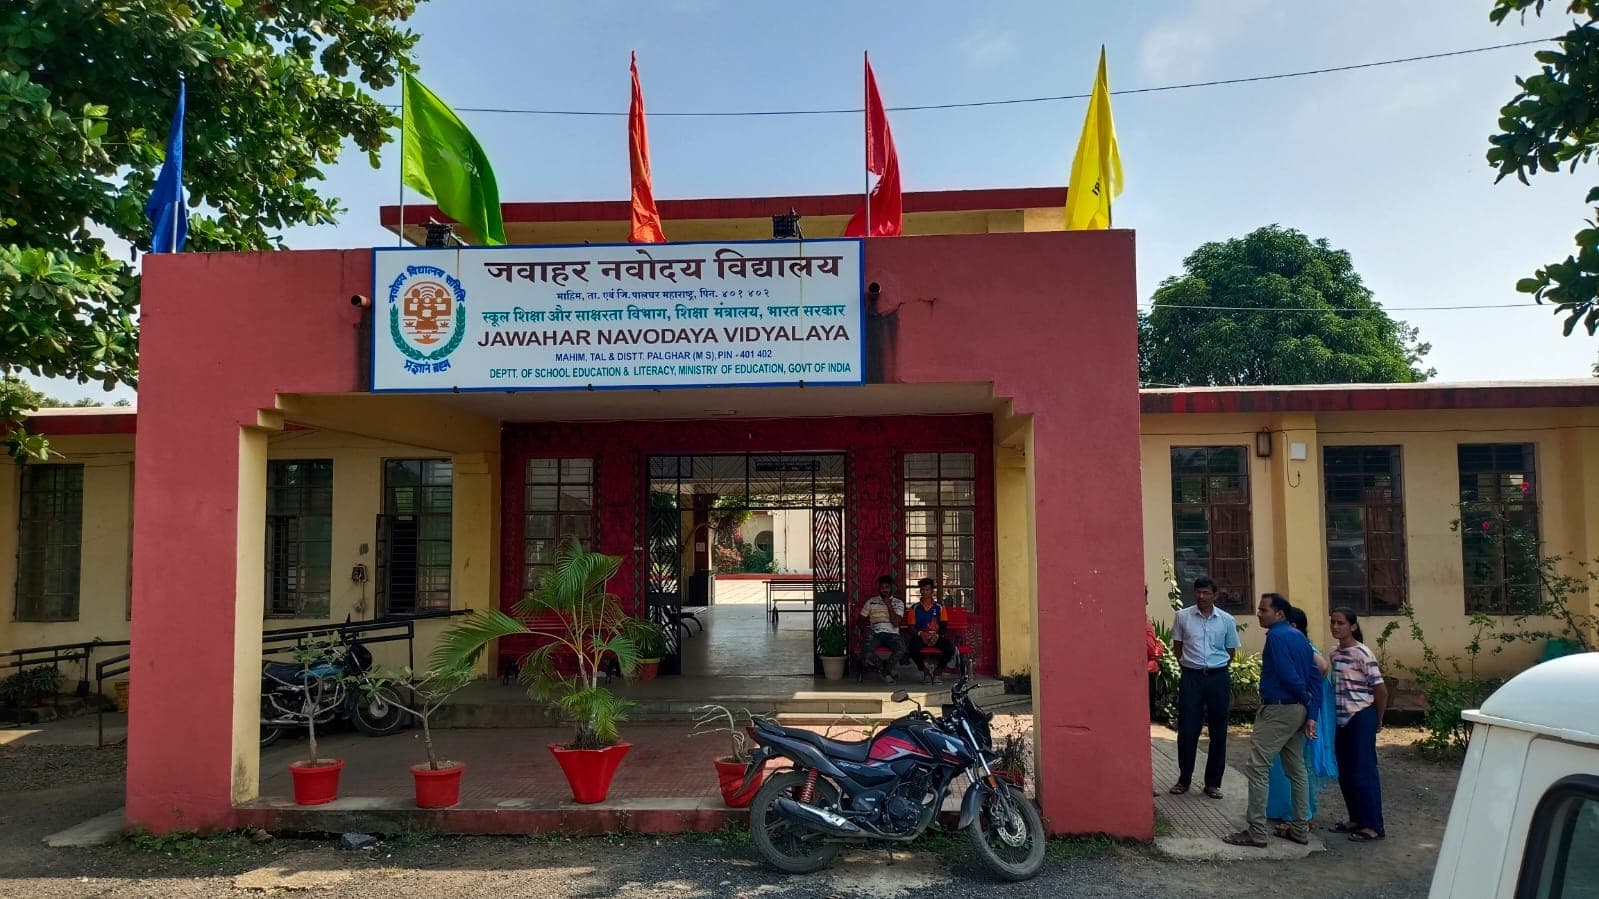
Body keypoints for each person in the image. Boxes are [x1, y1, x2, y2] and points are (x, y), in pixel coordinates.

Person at [1225, 593, 1321, 848]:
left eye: (1263, 610)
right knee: (1296, 769)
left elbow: (1288, 674)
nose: (1259, 613)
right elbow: (1315, 676)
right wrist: (1311, 711)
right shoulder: (1300, 637)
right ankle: (1299, 828)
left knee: (1258, 766)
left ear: (1279, 614)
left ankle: (1256, 831)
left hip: (1279, 709)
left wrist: (1304, 698)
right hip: (1297, 711)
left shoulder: (1276, 637)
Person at [1168, 576, 1241, 798]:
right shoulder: (1183, 617)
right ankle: (1184, 779)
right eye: (1198, 592)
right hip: (1192, 677)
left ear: (1215, 595)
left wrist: (1215, 667)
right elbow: (1178, 647)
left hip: (1218, 677)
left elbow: (1230, 651)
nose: (1201, 596)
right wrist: (1190, 666)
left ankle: (1213, 783)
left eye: (1206, 592)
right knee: (1188, 729)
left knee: (1218, 730)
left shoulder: (1226, 620)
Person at [1267, 606, 1336, 834]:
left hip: (1295, 713)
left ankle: (1298, 815)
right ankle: (1288, 810)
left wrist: (1303, 694)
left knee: (1292, 764)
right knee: (1283, 763)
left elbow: (1322, 667)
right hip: (1286, 712)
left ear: (1293, 626)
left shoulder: (1302, 646)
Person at [1330, 606, 1388, 843]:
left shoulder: (1362, 653)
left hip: (1361, 716)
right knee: (1346, 771)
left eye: (1341, 623)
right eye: (1333, 622)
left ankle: (1373, 825)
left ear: (1352, 626)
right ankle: (1356, 818)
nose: (1335, 627)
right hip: (1341, 719)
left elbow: (1380, 689)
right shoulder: (1335, 654)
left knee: (1364, 771)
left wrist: (1378, 718)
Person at [858, 574, 906, 684]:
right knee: (866, 650)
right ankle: (886, 669)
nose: (884, 590)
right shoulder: (871, 601)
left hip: (892, 633)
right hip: (875, 633)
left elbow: (895, 623)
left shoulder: (898, 603)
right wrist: (865, 629)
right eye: (882, 587)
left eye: (887, 587)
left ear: (891, 588)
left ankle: (884, 671)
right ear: (879, 589)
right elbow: (860, 619)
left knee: (901, 649)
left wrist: (889, 605)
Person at [908, 577, 956, 685]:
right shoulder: (914, 608)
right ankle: (925, 671)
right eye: (923, 589)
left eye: (927, 590)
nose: (925, 592)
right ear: (920, 591)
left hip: (936, 636)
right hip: (921, 636)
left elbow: (944, 625)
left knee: (949, 648)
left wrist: (937, 636)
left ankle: (938, 671)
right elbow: (911, 627)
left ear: (932, 591)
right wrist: (921, 634)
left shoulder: (939, 606)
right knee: (912, 648)